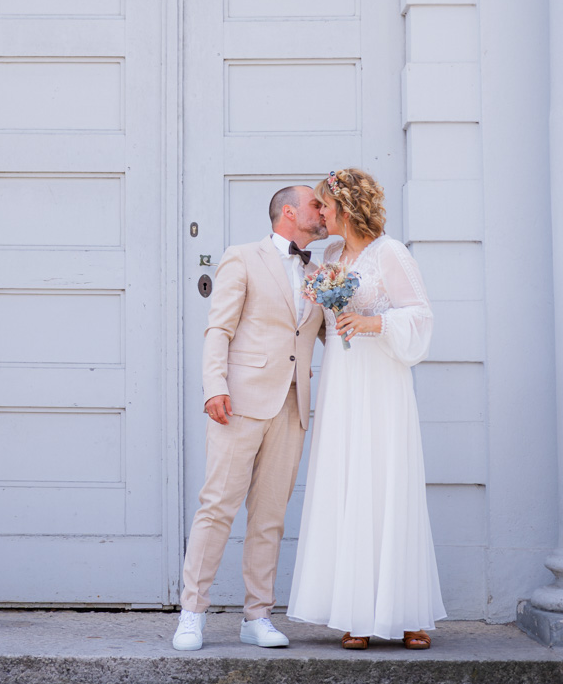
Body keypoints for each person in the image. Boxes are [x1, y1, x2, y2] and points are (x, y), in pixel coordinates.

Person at [287, 168, 446, 649]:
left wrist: (373, 323)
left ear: (345, 208)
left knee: (387, 480)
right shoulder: (330, 255)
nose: (318, 214)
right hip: (342, 380)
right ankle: (355, 613)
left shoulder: (391, 253)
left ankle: (407, 613)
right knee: (347, 481)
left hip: (381, 380)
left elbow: (420, 315)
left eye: (323, 206)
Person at [173, 185, 327, 651]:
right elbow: (218, 327)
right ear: (289, 211)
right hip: (238, 402)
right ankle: (191, 612)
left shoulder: (321, 273)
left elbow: (328, 339)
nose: (324, 213)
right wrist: (214, 386)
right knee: (216, 506)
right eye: (316, 205)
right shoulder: (241, 257)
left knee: (270, 517)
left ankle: (257, 615)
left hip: (293, 405)